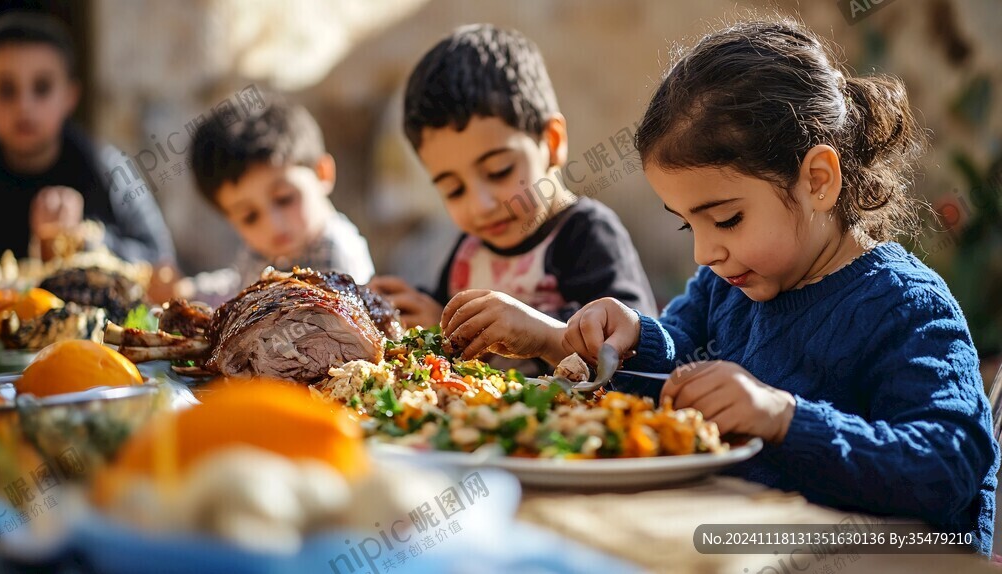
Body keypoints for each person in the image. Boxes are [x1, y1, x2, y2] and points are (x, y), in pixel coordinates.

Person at [440, 20, 999, 555]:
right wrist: (611, 338)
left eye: (727, 219)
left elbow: (950, 466)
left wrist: (783, 416)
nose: (705, 252)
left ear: (818, 181)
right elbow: (678, 361)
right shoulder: (725, 284)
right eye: (689, 224)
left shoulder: (906, 306)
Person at [368, 24, 656, 338]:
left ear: (552, 141)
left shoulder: (587, 235)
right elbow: (445, 323)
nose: (480, 205)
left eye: (499, 171)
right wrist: (417, 311)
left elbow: (632, 347)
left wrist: (536, 331)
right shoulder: (469, 253)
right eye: (454, 190)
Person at [0, 12, 175, 265]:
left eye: (42, 87)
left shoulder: (108, 169)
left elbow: (163, 266)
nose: (24, 106)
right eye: (6, 90)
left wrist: (85, 241)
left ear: (70, 96)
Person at [185, 98, 374, 302]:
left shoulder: (340, 257)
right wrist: (189, 290)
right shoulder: (262, 250)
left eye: (284, 199)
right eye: (249, 217)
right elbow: (237, 286)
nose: (273, 224)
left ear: (322, 173)